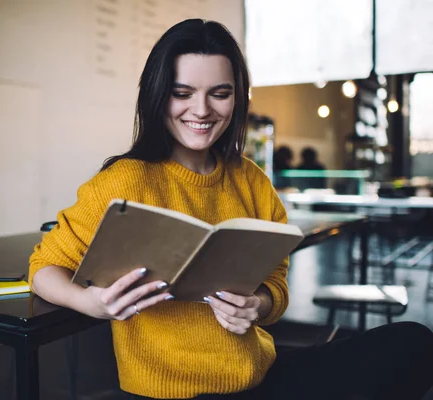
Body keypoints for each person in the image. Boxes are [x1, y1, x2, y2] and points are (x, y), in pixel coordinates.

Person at [29, 19, 433, 400]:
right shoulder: (124, 180)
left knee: (412, 342)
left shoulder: (251, 180)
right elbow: (44, 268)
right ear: (157, 95)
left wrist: (258, 305)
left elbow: (275, 280)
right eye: (182, 93)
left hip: (259, 376)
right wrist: (92, 304)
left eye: (219, 94)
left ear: (237, 97)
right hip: (172, 391)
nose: (202, 111)